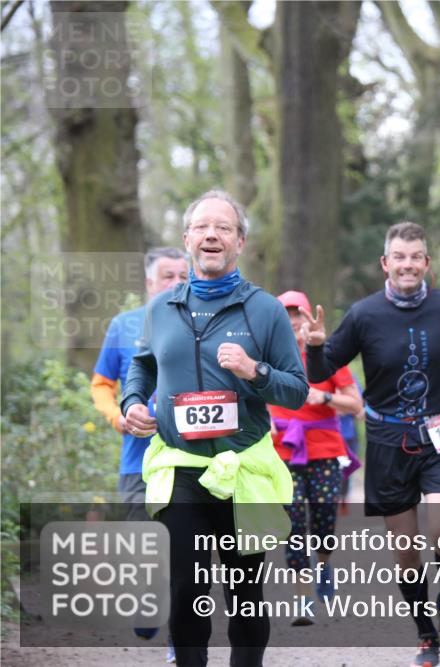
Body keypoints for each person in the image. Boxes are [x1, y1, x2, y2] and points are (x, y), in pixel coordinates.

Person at [121, 190, 308, 667]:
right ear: (187, 240)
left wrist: (254, 371)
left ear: (239, 242)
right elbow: (141, 366)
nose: (211, 235)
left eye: (223, 227)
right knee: (186, 588)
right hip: (182, 468)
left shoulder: (264, 310)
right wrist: (133, 402)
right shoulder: (162, 309)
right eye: (202, 227)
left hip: (241, 469)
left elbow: (296, 389)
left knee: (245, 591)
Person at [302, 221, 440, 667]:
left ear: (426, 262)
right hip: (387, 439)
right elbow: (322, 372)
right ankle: (425, 634)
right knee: (406, 551)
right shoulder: (363, 315)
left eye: (415, 256)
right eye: (399, 257)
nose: (407, 264)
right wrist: (316, 348)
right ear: (385, 263)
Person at [90, 246, 188, 662]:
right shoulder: (124, 325)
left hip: (187, 458)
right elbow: (100, 385)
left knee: (182, 549)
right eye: (168, 276)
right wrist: (119, 417)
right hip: (137, 460)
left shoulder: (202, 321)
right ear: (150, 282)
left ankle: (177, 641)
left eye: (184, 275)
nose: (177, 283)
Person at [269, 290, 362, 625]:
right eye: (286, 314)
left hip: (324, 450)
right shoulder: (267, 356)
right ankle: (301, 599)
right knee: (293, 525)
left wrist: (322, 396)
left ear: (309, 318)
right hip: (282, 452)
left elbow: (356, 406)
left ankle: (323, 564)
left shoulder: (326, 356)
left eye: (299, 314)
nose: (293, 321)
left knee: (323, 520)